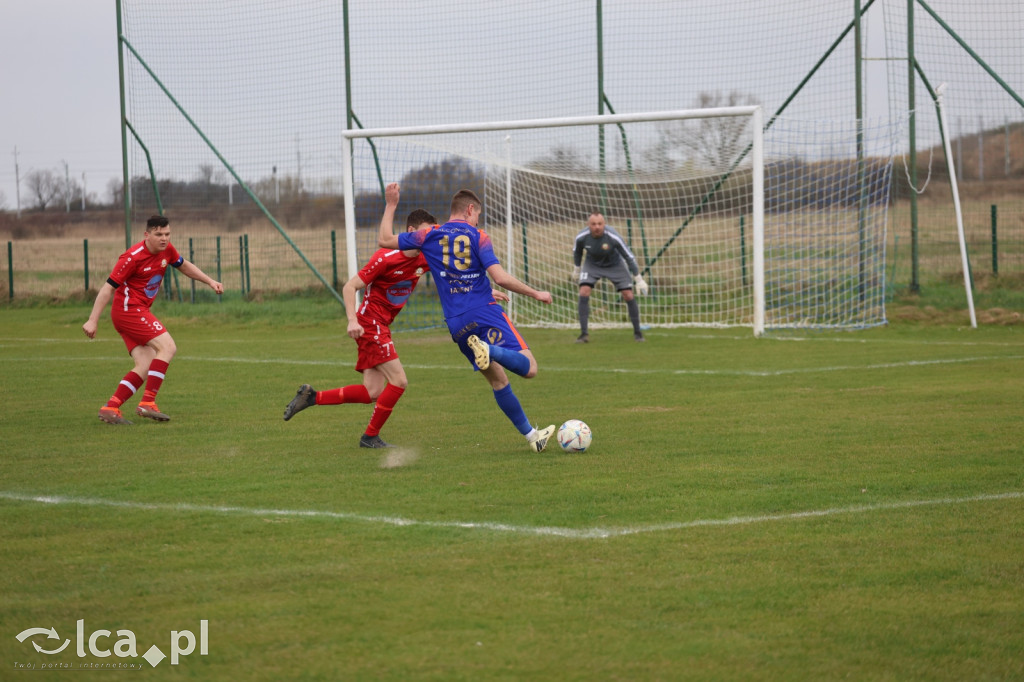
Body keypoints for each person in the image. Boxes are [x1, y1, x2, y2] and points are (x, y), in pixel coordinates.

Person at [379, 183, 557, 453]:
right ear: (470, 210)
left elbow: (384, 240)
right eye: (477, 215)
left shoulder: (429, 235)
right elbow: (499, 275)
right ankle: (490, 349)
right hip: (484, 312)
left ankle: (533, 436)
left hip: (457, 324)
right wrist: (535, 293)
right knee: (530, 368)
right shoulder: (478, 235)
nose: (477, 221)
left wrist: (391, 204)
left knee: (498, 381)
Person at [282, 201, 443, 448]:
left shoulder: (424, 259)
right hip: (370, 323)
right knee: (399, 381)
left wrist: (479, 294)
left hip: (381, 326)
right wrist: (352, 320)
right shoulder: (386, 258)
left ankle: (312, 397)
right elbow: (350, 286)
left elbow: (451, 276)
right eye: (425, 231)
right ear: (410, 231)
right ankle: (369, 437)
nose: (429, 236)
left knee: (372, 391)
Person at [83, 214, 224, 424]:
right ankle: (147, 403)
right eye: (159, 234)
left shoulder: (167, 250)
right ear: (147, 235)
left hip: (136, 311)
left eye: (167, 234)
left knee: (146, 364)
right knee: (168, 347)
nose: (164, 238)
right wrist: (92, 320)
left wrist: (210, 281)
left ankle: (110, 407)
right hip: (128, 311)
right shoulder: (132, 257)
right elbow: (107, 289)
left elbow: (184, 266)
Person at [571, 212, 649, 343]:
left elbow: (628, 256)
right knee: (584, 291)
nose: (597, 227)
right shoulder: (581, 237)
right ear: (588, 225)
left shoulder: (613, 236)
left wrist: (638, 279)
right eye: (594, 224)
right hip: (592, 264)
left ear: (604, 224)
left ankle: (638, 333)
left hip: (615, 264)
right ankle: (584, 334)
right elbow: (577, 252)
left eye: (600, 224)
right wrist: (577, 269)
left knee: (628, 295)